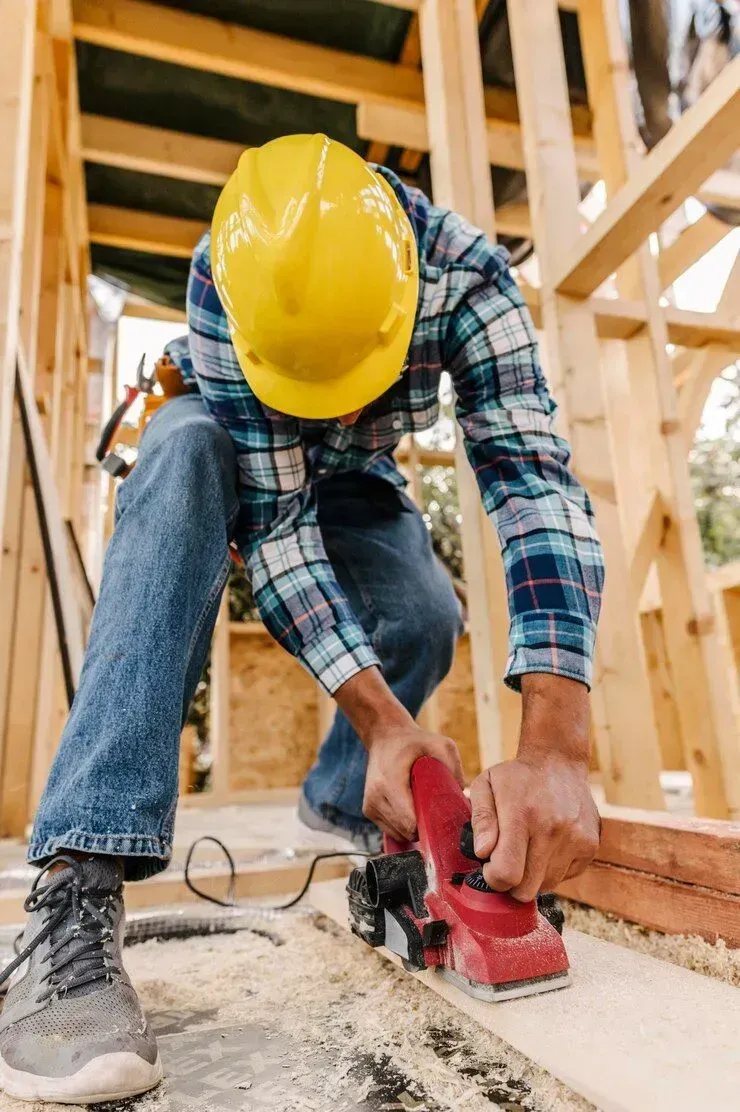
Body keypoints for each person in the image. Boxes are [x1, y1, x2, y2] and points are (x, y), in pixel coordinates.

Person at [0, 134, 603, 1104]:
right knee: (184, 456)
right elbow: (275, 530)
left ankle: (342, 798)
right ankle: (80, 875)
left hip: (356, 471)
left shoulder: (466, 273)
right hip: (235, 442)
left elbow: (529, 482)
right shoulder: (221, 275)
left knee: (420, 608)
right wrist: (383, 717)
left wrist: (557, 738)